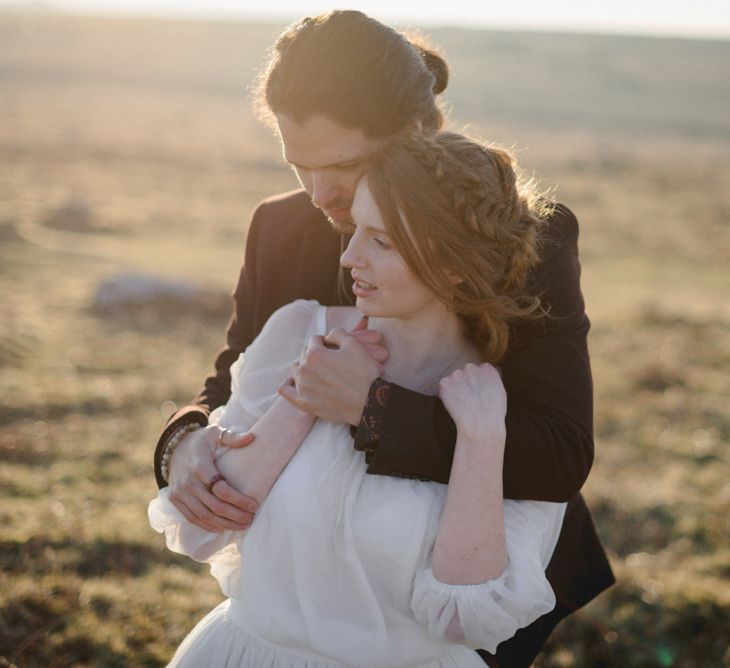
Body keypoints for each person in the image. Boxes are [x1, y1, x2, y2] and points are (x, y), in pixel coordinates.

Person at [152, 11, 613, 666]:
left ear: (419, 133)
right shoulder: (280, 229)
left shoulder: (519, 234)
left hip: (464, 587)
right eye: (297, 165)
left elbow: (559, 451)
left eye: (341, 165)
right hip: (303, 580)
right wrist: (187, 440)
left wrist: (373, 411)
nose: (318, 194)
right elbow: (230, 379)